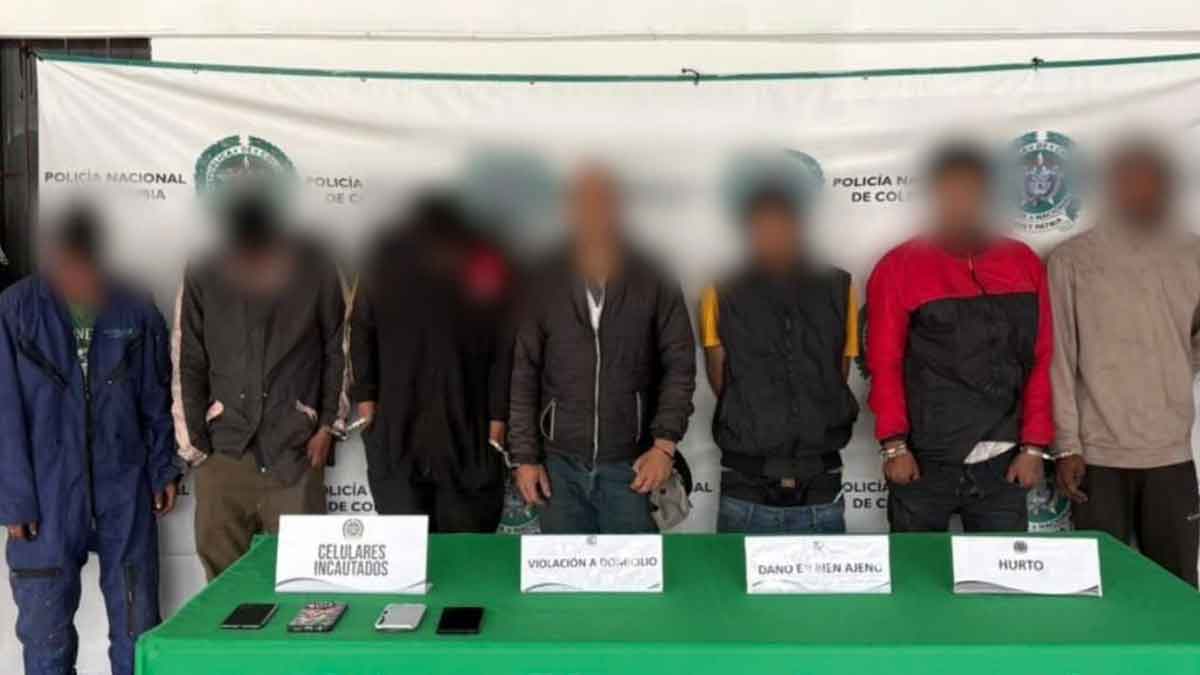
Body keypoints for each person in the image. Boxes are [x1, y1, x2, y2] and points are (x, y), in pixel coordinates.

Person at [0, 204, 179, 675]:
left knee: (138, 630)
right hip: (46, 493)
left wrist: (163, 467)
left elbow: (155, 393)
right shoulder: (16, 309)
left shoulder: (134, 304)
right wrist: (15, 499)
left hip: (124, 484)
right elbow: (4, 409)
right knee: (46, 637)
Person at [866, 141, 1053, 532]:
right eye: (951, 192)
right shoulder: (899, 266)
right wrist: (894, 445)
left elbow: (1043, 357)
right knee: (915, 571)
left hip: (1006, 464)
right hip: (924, 461)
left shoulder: (1022, 262)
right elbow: (884, 362)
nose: (961, 203)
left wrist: (1035, 446)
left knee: (999, 574)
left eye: (971, 192)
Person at [508, 164, 697, 534]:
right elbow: (524, 370)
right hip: (558, 467)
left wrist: (664, 447)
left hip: (632, 466)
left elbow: (679, 364)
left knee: (634, 572)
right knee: (564, 571)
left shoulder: (654, 274)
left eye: (603, 203)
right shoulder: (542, 277)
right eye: (584, 203)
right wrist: (525, 458)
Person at [172, 187, 346, 579]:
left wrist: (327, 426)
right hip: (225, 450)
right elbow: (187, 356)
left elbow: (339, 347)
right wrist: (195, 443)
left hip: (295, 451)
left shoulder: (316, 265)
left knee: (305, 583)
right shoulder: (202, 268)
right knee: (223, 584)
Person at [1048, 138, 1200, 586]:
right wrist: (1067, 446)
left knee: (1177, 587)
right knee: (1100, 588)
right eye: (1130, 181)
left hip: (1170, 452)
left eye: (1151, 182)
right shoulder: (1072, 260)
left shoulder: (1193, 254)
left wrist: (1171, 368)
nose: (1141, 192)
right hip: (1095, 456)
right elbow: (1059, 357)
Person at [700, 185, 859, 533]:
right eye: (763, 227)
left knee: (825, 570)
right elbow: (719, 374)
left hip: (821, 474)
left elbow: (839, 370)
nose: (773, 236)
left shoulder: (839, 286)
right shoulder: (721, 288)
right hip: (745, 475)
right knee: (735, 571)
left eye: (782, 225)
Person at [350, 192, 512, 532]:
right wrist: (365, 398)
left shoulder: (486, 262)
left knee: (465, 546)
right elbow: (362, 329)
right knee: (403, 542)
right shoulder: (383, 261)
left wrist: (498, 416)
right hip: (398, 427)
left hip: (468, 426)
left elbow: (505, 343)